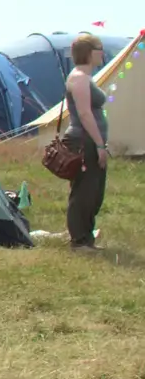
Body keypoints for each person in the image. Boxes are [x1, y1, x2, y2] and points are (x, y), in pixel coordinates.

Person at [62, 33, 110, 251]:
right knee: (84, 190)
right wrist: (99, 145)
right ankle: (79, 240)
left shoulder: (85, 77)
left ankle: (86, 235)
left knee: (94, 191)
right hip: (84, 140)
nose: (103, 52)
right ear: (89, 52)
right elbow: (84, 114)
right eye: (99, 48)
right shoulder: (79, 78)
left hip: (91, 139)